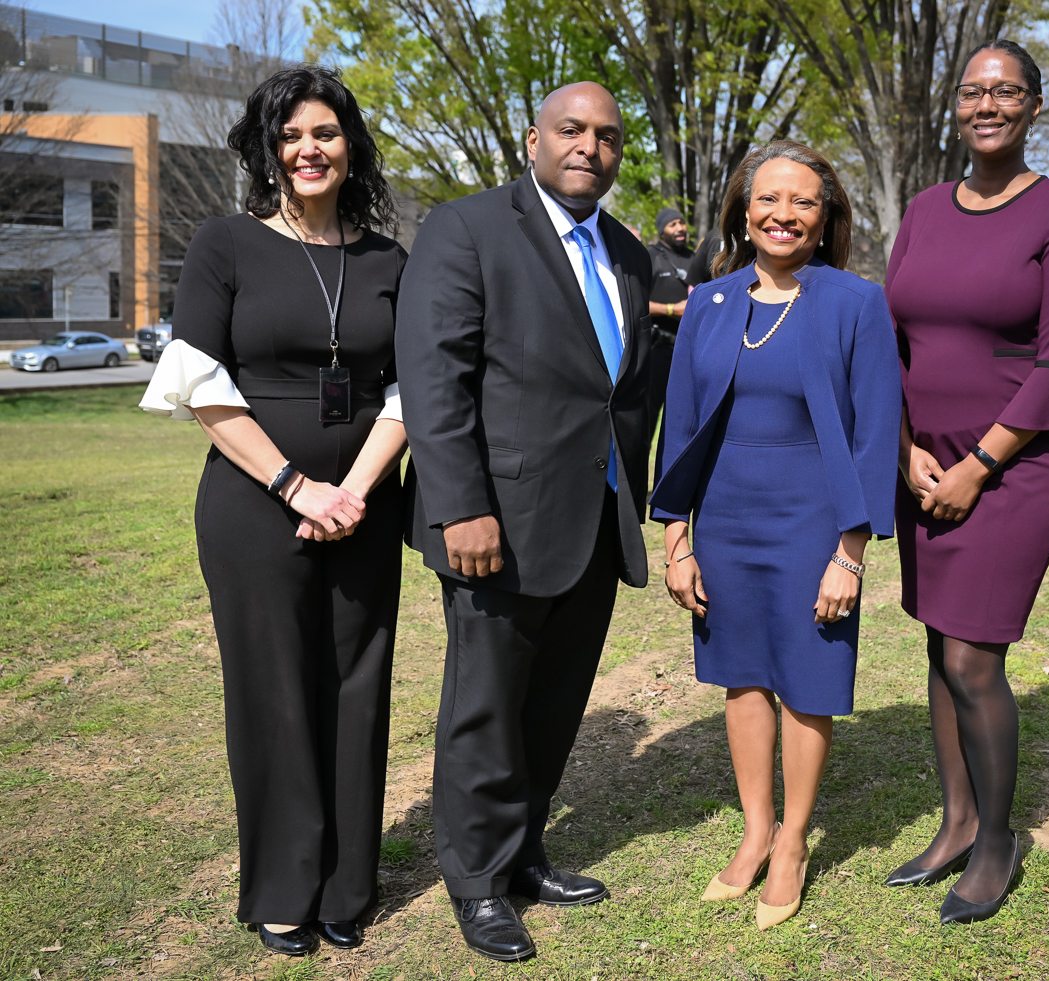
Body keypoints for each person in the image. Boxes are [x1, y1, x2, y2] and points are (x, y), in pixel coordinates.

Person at [138, 66, 408, 956]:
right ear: (267, 148)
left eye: (325, 133)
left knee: (357, 690)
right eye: (290, 135)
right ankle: (285, 884)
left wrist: (355, 492)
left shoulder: (388, 261)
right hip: (256, 509)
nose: (308, 149)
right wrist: (298, 487)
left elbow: (411, 386)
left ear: (350, 145)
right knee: (276, 695)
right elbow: (198, 382)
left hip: (365, 507)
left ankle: (347, 883)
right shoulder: (226, 244)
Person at [395, 81, 653, 963]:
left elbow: (617, 390)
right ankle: (475, 880)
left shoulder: (627, 252)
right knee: (487, 707)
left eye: (608, 136)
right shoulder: (464, 229)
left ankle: (523, 851)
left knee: (554, 704)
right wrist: (463, 503)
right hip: (493, 521)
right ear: (531, 137)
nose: (590, 146)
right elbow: (434, 378)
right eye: (571, 129)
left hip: (591, 519)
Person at [651, 140, 901, 930]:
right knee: (743, 673)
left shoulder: (854, 302)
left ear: (825, 217)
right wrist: (676, 540)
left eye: (802, 201)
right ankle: (756, 828)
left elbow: (873, 433)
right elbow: (681, 424)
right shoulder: (711, 302)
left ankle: (794, 840)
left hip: (812, 522)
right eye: (768, 199)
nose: (782, 214)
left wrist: (849, 554)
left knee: (807, 677)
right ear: (743, 209)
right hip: (725, 519)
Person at [884, 39, 1049, 925]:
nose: (987, 104)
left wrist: (979, 464)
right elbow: (892, 345)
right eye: (974, 91)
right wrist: (902, 448)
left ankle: (1000, 839)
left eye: (1006, 91)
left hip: (1013, 464)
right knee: (939, 641)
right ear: (957, 105)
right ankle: (957, 821)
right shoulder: (926, 208)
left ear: (1033, 107)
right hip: (923, 460)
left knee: (975, 653)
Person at [646, 208, 693, 439]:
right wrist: (672, 310)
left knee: (682, 420)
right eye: (672, 224)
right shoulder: (650, 256)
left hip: (687, 351)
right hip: (657, 348)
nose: (680, 228)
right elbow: (633, 304)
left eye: (681, 223)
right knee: (648, 417)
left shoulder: (695, 258)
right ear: (661, 231)